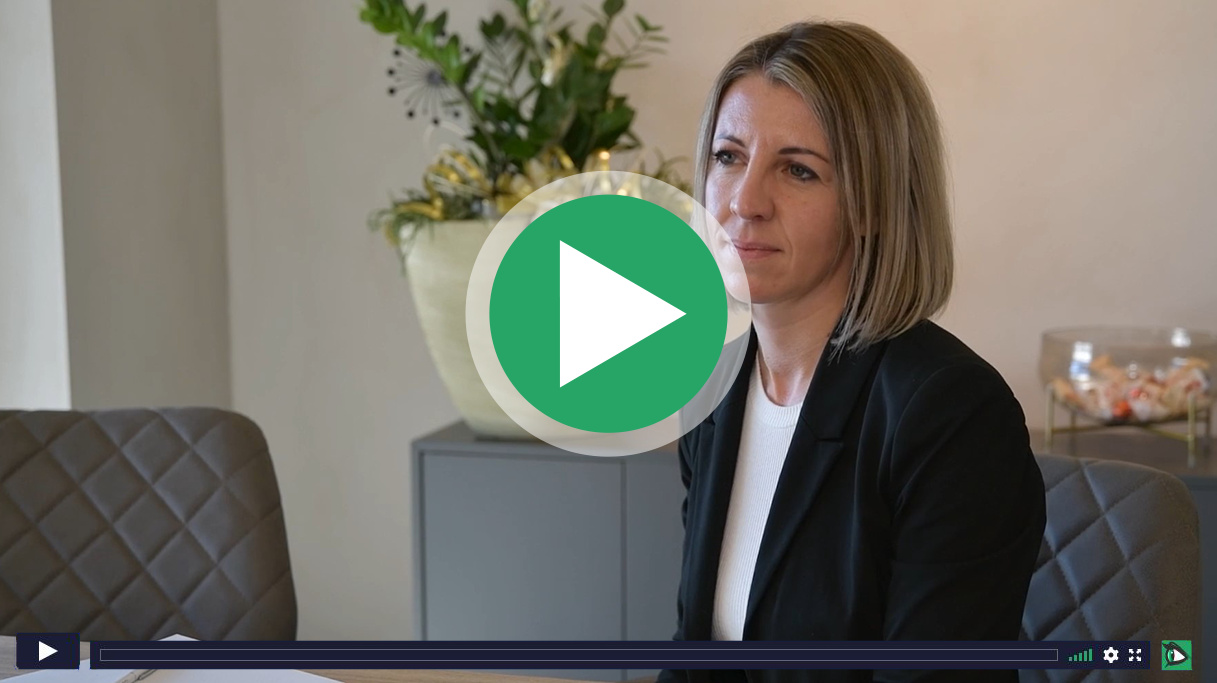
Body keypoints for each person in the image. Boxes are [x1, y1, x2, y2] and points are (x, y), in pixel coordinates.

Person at [656, 20, 1047, 683]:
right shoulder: (712, 379)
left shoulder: (951, 414)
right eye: (728, 157)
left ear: (873, 204)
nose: (744, 201)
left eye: (798, 169)